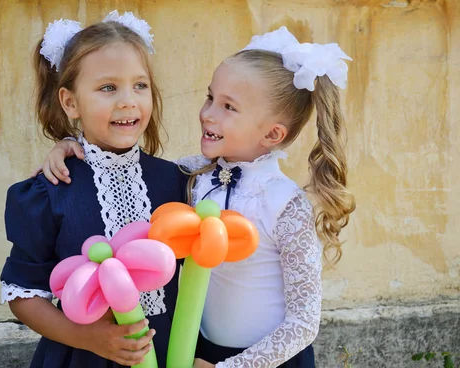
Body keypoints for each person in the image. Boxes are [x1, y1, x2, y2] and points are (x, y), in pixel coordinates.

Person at [34, 26, 356, 368]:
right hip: (199, 354)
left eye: (228, 107)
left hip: (265, 362)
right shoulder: (193, 176)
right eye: (210, 98)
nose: (207, 114)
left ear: (272, 133)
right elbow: (122, 167)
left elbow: (304, 322)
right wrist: (70, 145)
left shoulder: (285, 204)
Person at [0, 11, 187, 368]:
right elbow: (22, 294)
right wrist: (88, 338)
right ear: (70, 102)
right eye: (107, 88)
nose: (128, 100)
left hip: (168, 355)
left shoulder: (177, 181)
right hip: (82, 357)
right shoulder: (50, 190)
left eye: (140, 85)